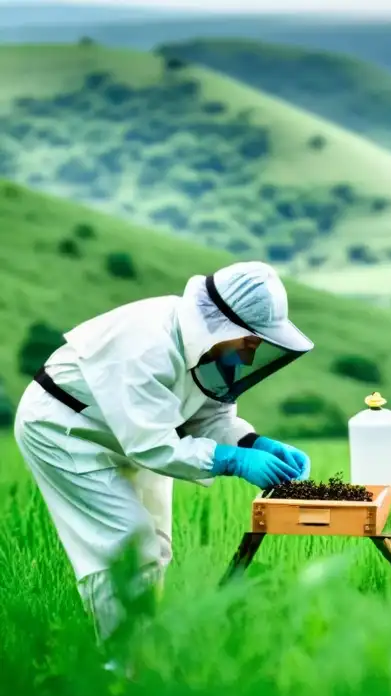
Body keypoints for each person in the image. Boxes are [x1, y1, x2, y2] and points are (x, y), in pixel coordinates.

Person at [13, 261, 315, 669]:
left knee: (157, 545)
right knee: (126, 545)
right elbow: (153, 445)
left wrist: (252, 441)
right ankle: (120, 670)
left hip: (134, 431)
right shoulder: (145, 345)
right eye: (251, 338)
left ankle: (142, 649)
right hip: (66, 428)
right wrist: (233, 461)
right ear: (223, 325)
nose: (253, 350)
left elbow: (208, 417)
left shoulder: (208, 346)